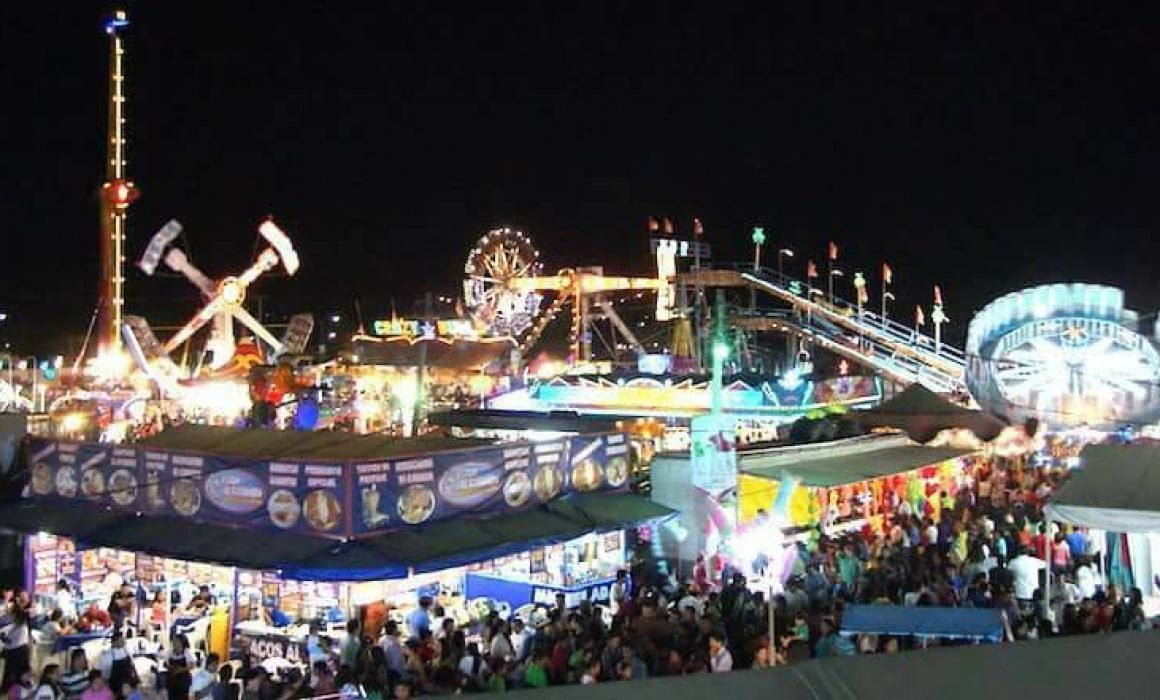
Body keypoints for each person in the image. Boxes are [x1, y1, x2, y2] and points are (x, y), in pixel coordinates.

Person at [1, 603, 31, 692]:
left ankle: (10, 688)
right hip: (20, 651)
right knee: (21, 671)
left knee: (13, 672)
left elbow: (9, 640)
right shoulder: (19, 626)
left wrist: (3, 637)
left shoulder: (20, 627)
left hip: (16, 652)